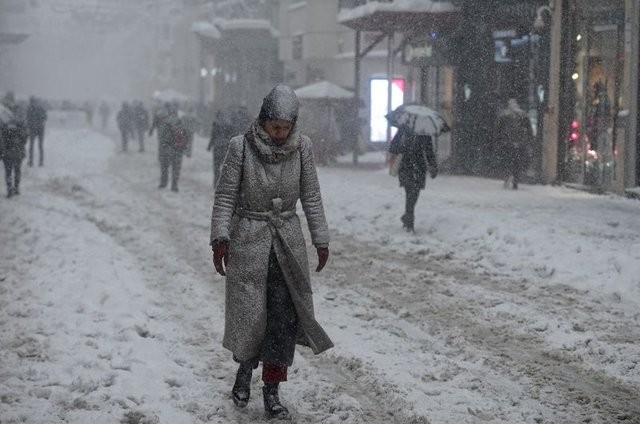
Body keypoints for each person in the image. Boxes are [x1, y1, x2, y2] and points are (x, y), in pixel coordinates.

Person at [209, 84, 332, 419]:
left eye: (286, 127)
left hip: (287, 244)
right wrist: (221, 238)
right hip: (250, 239)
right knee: (252, 317)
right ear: (262, 122)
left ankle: (272, 390)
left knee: (282, 320)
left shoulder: (302, 148)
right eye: (275, 127)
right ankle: (244, 371)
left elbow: (312, 197)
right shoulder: (240, 147)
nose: (281, 133)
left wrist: (321, 239)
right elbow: (225, 197)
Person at [388, 126, 437, 232]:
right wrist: (402, 147)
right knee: (410, 192)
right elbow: (393, 147)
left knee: (414, 194)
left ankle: (407, 216)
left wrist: (433, 166)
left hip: (419, 168)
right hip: (406, 166)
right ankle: (410, 223)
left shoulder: (424, 133)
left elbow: (429, 151)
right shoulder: (403, 130)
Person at [495, 98, 533, 190]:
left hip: (507, 143)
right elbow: (529, 129)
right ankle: (515, 181)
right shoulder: (524, 115)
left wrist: (499, 140)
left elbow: (498, 130)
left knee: (507, 161)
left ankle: (507, 176)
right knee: (517, 162)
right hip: (520, 143)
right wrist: (528, 140)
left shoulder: (504, 115)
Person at [149, 102, 187, 192]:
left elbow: (162, 136)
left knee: (164, 166)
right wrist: (183, 146)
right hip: (177, 149)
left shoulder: (164, 121)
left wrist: (163, 145)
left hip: (165, 148)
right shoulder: (179, 121)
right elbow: (184, 134)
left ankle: (164, 182)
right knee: (176, 168)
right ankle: (174, 185)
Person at [0, 110, 28, 198]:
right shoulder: (20, 127)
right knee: (17, 171)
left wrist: (2, 152)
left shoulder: (4, 128)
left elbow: (2, 142)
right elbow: (25, 140)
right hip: (18, 153)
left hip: (7, 154)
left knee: (8, 173)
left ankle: (9, 190)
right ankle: (16, 188)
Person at [207, 110, 234, 187]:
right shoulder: (229, 125)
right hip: (225, 147)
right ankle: (222, 182)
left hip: (217, 147)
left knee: (216, 165)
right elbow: (231, 136)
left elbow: (213, 136)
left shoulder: (216, 124)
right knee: (224, 165)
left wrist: (209, 146)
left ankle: (215, 182)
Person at [25, 96, 48, 167]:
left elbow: (45, 117)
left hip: (37, 129)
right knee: (35, 146)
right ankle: (34, 161)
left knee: (38, 146)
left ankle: (37, 161)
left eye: (32, 101)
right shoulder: (37, 109)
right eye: (31, 101)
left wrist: (34, 124)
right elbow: (45, 117)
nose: (32, 103)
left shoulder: (31, 109)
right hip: (36, 129)